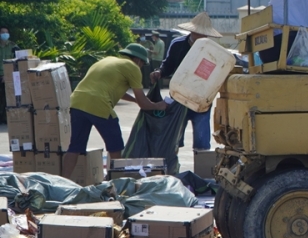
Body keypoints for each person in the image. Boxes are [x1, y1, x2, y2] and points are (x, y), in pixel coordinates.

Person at [62, 44, 167, 178]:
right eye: (142, 64)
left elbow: (116, 90)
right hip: (98, 104)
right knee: (115, 146)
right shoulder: (133, 67)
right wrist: (159, 105)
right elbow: (144, 104)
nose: (141, 67)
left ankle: (63, 181)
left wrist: (134, 100)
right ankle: (117, 181)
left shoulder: (107, 60)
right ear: (138, 60)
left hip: (77, 102)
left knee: (75, 147)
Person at [150, 13, 222, 151]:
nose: (201, 37)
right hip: (179, 96)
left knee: (202, 142)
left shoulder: (212, 50)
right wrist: (160, 72)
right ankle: (172, 166)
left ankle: (202, 168)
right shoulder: (177, 44)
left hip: (201, 97)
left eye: (204, 35)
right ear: (192, 32)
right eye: (198, 34)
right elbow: (168, 65)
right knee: (173, 139)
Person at [0, 27, 20, 123]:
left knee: (6, 98)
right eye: (3, 32)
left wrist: (7, 75)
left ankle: (4, 118)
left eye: (6, 32)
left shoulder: (13, 46)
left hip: (7, 76)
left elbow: (17, 62)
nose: (5, 34)